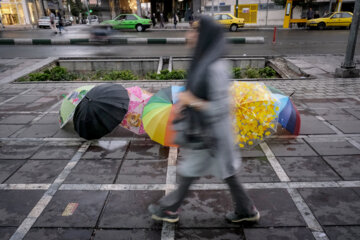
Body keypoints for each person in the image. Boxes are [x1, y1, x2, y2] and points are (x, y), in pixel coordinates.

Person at [148, 16, 260, 224]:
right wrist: (186, 101)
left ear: (204, 36)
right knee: (219, 173)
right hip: (205, 132)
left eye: (194, 31)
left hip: (213, 135)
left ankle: (169, 209)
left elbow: (221, 106)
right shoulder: (203, 59)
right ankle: (246, 210)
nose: (188, 35)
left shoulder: (215, 66)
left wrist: (192, 101)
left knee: (195, 171)